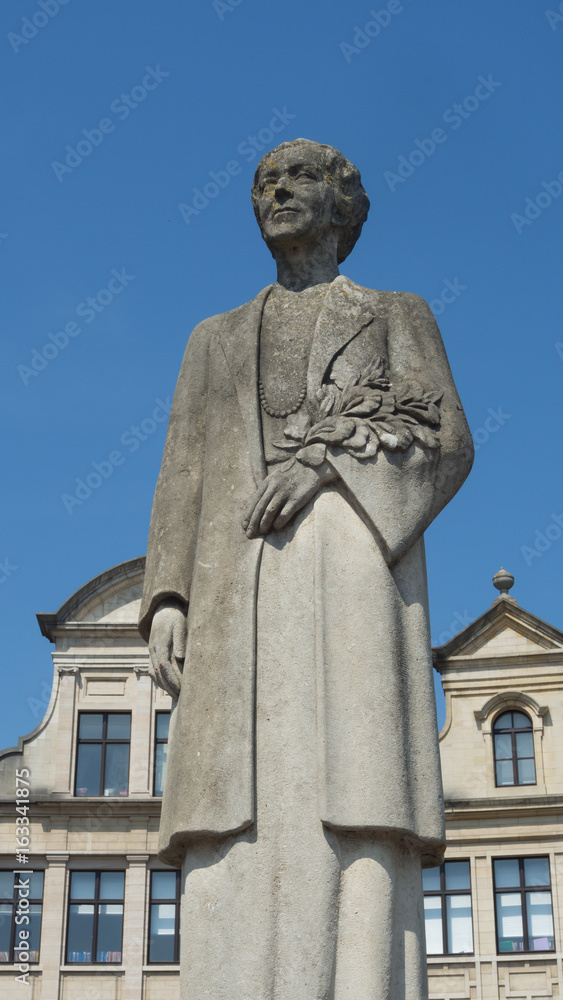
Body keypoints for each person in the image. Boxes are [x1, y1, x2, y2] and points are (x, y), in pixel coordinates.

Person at [139, 138, 473, 1000]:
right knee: (231, 804)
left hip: (349, 580)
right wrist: (166, 596)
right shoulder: (211, 339)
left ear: (342, 204)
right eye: (260, 182)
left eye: (297, 178)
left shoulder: (397, 314)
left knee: (352, 786)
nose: (274, 192)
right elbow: (182, 472)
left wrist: (327, 461)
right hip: (230, 591)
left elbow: (446, 442)